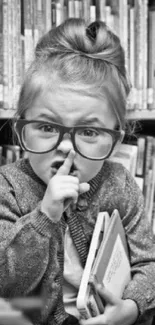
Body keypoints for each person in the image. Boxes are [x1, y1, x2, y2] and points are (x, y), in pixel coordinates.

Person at [0, 17, 155, 325]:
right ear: (21, 133)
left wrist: (131, 308)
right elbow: (7, 283)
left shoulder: (120, 183)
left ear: (115, 141)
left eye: (88, 132)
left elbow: (149, 264)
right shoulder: (8, 187)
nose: (67, 149)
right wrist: (45, 216)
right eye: (46, 127)